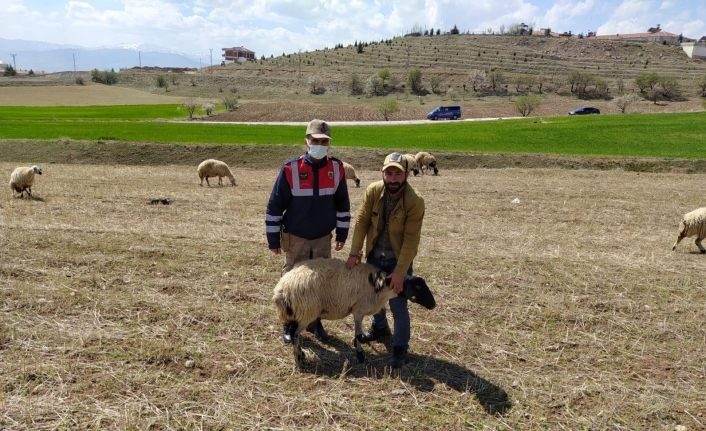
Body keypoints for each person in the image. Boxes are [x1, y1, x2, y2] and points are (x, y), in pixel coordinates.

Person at [266, 119, 351, 344]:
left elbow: (343, 204)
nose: (320, 144)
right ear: (307, 141)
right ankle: (289, 322)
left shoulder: (336, 168)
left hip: (323, 238)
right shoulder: (290, 169)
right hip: (297, 238)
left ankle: (315, 321)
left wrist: (342, 234)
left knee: (321, 283)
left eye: (324, 141)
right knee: (292, 282)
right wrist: (272, 238)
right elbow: (275, 206)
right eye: (315, 140)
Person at [345, 152, 425, 368]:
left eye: (397, 174)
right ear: (383, 173)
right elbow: (362, 221)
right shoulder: (373, 191)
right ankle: (380, 328)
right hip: (374, 257)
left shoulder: (415, 201)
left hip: (398, 259)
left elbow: (411, 240)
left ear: (406, 175)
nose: (392, 178)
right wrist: (355, 252)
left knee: (398, 305)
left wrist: (400, 272)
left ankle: (400, 347)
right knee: (374, 297)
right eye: (388, 173)